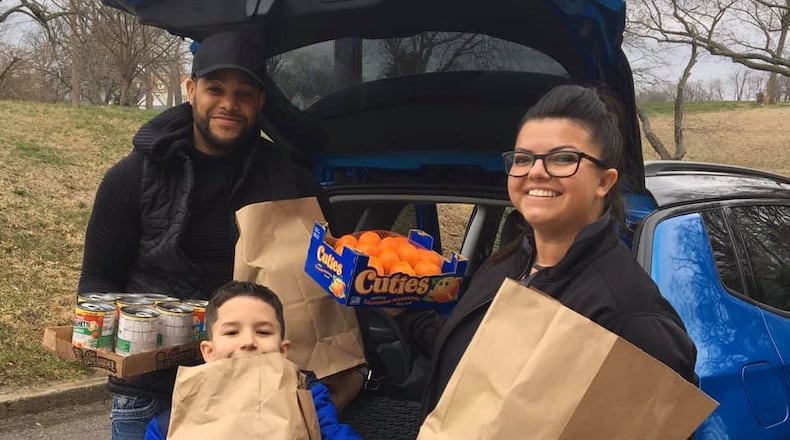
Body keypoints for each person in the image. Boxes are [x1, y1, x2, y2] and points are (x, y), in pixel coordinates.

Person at [77, 31, 362, 439]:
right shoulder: (133, 177)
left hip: (262, 392)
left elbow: (329, 273)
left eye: (244, 93)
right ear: (191, 89)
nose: (229, 104)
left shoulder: (291, 181)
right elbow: (96, 282)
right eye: (215, 89)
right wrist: (117, 345)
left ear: (260, 102)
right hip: (154, 396)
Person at [396, 84, 698, 421]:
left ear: (604, 181)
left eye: (563, 158)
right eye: (523, 158)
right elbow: (471, 354)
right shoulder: (506, 265)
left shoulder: (628, 313)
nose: (536, 171)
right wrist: (405, 312)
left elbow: (660, 421)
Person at [144, 281, 361, 440]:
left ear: (283, 350)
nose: (248, 341)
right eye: (231, 333)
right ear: (208, 351)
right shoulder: (168, 425)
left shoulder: (308, 396)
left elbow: (334, 432)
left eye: (263, 332)